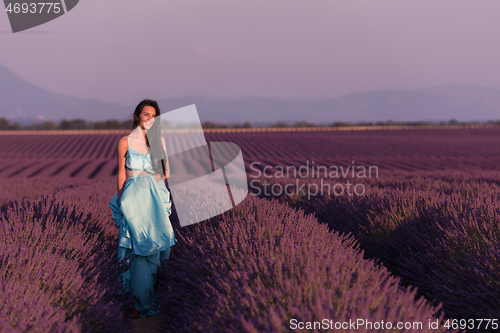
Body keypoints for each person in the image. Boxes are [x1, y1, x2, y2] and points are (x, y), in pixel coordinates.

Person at [109, 99, 177, 319]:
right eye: (146, 114)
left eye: (153, 115)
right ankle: (136, 301)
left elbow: (165, 173)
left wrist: (151, 180)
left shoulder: (160, 141)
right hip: (132, 199)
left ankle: (147, 296)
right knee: (135, 249)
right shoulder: (124, 142)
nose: (149, 119)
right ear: (138, 115)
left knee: (154, 249)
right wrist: (121, 200)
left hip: (153, 198)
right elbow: (121, 173)